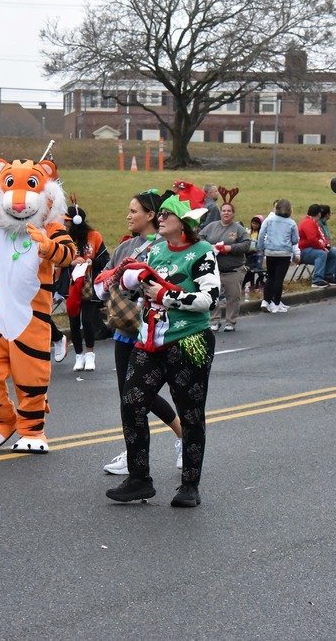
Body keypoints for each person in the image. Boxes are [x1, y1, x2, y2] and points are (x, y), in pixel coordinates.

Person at [104, 194, 220, 508]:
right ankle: (139, 478)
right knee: (131, 402)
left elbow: (209, 299)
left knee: (191, 414)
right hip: (150, 341)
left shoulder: (202, 252)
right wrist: (122, 280)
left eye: (169, 214)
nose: (163, 218)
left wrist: (166, 295)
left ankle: (189, 486)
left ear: (185, 224)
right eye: (162, 213)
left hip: (189, 342)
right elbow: (137, 286)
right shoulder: (154, 250)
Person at [96, 189, 185, 475]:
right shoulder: (126, 246)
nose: (128, 215)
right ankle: (137, 450)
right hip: (125, 328)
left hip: (155, 330)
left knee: (143, 393)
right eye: (129, 210)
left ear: (150, 215)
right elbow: (105, 279)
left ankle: (183, 437)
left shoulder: (163, 246)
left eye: (134, 211)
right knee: (128, 395)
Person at [65, 203, 109, 372]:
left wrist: (92, 261)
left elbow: (105, 259)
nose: (65, 224)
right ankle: (78, 356)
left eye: (68, 221)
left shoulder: (94, 236)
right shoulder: (63, 237)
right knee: (74, 321)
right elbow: (58, 260)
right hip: (71, 285)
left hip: (89, 284)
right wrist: (70, 261)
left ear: (77, 221)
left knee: (87, 320)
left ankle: (90, 354)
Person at [200, 200, 250, 331]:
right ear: (220, 212)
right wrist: (208, 246)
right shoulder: (211, 226)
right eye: (223, 210)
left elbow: (246, 244)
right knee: (212, 295)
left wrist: (230, 248)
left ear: (233, 214)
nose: (226, 213)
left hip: (233, 269)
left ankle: (230, 322)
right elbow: (199, 238)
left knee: (233, 296)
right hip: (214, 269)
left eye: (229, 211)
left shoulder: (238, 229)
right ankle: (214, 320)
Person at [257, 198, 299, 313]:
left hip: (270, 252)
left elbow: (261, 234)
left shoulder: (269, 220)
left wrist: (261, 247)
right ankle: (276, 302)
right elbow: (295, 240)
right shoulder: (291, 223)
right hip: (284, 253)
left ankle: (266, 300)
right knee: (279, 279)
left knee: (270, 277)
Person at [297, 204, 331, 288]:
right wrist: (323, 248)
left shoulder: (313, 222)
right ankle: (317, 280)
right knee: (321, 254)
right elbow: (312, 240)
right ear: (319, 214)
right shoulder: (308, 223)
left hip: (311, 248)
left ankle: (330, 276)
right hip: (304, 251)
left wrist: (326, 245)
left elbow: (321, 237)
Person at [316, 204, 336, 284]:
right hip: (322, 247)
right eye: (330, 213)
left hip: (328, 245)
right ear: (327, 214)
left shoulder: (324, 223)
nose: (330, 214)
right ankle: (328, 275)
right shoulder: (319, 224)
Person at [243, 214, 265, 292]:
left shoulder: (260, 234)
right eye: (253, 223)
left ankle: (261, 281)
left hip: (258, 254)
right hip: (251, 253)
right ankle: (252, 284)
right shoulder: (250, 232)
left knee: (258, 268)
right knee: (251, 269)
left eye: (256, 224)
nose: (254, 225)